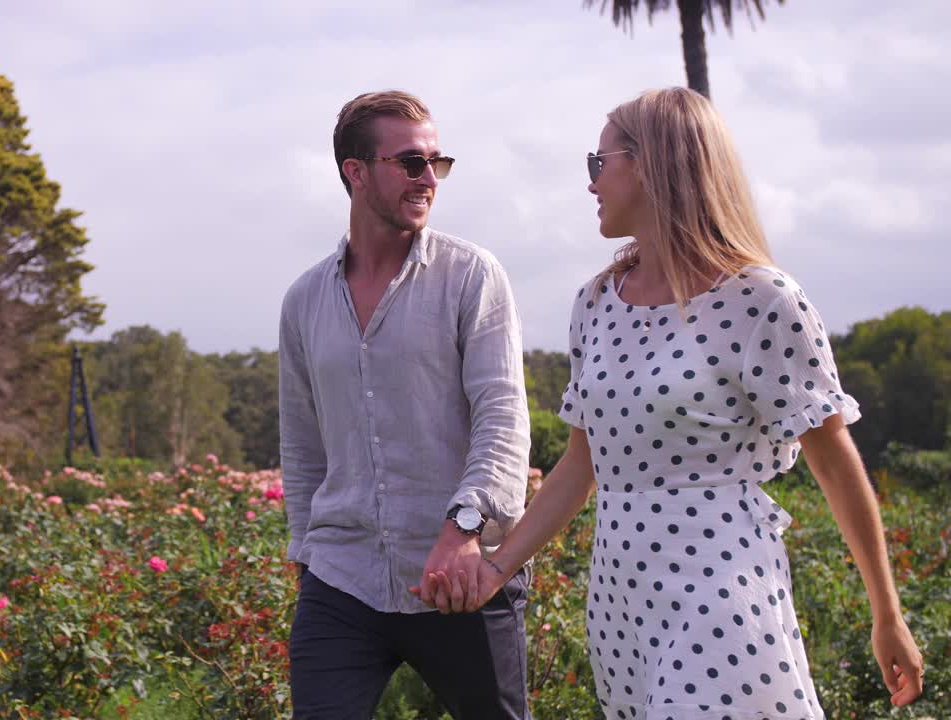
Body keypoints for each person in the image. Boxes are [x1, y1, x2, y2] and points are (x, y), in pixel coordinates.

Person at [415, 87, 924, 718]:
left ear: (652, 163)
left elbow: (835, 461)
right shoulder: (597, 301)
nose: (592, 182)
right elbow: (582, 463)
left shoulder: (761, 299)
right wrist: (497, 568)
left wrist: (887, 615)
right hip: (619, 600)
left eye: (600, 163)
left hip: (718, 586)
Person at [278, 89, 533, 720]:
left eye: (436, 163)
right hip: (342, 578)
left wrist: (464, 529)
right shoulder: (304, 300)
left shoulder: (472, 277)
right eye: (410, 162)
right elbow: (302, 443)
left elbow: (503, 418)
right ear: (355, 172)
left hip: (462, 577)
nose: (428, 178)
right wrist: (307, 556)